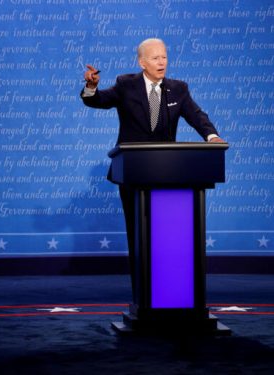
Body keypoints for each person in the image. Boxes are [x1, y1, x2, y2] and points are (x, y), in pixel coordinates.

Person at [80, 38, 225, 299]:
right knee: (139, 236)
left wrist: (211, 136)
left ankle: (171, 295)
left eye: (165, 57)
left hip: (169, 174)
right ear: (142, 62)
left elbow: (196, 116)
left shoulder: (178, 89)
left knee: (168, 240)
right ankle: (143, 297)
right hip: (133, 173)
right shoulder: (126, 85)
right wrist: (91, 87)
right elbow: (98, 100)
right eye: (155, 58)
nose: (162, 62)